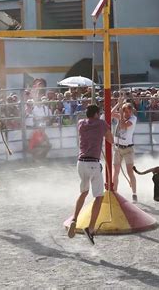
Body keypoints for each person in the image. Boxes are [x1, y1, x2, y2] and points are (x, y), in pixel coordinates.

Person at [68, 104, 113, 245]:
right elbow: (111, 140)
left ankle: (74, 219)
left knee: (83, 192)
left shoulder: (81, 123)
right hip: (93, 163)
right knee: (99, 197)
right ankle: (91, 228)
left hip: (80, 162)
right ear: (95, 114)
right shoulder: (101, 124)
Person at [111, 98, 138, 202]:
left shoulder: (133, 119)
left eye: (128, 111)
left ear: (131, 112)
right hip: (118, 148)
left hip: (128, 149)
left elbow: (123, 126)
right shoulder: (122, 116)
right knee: (116, 172)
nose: (127, 113)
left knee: (129, 172)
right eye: (125, 111)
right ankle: (115, 192)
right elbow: (110, 113)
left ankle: (134, 193)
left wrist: (121, 115)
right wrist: (118, 104)